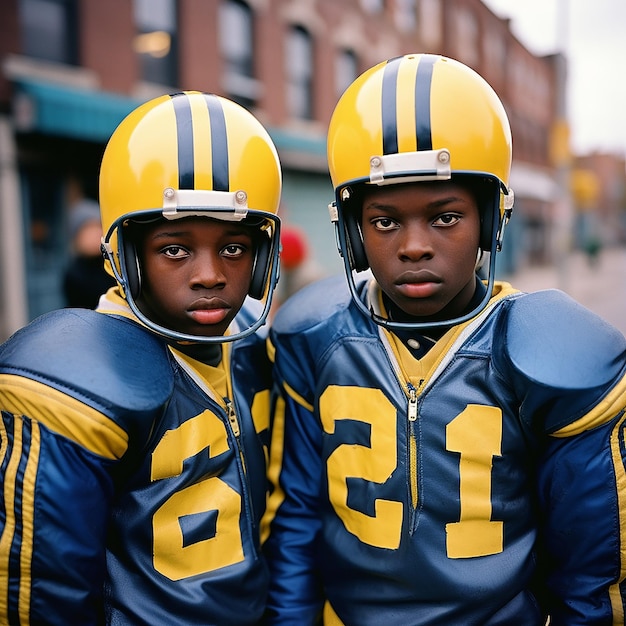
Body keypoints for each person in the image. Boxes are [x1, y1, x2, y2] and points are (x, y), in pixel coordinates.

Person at [262, 54, 626, 624]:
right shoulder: (317, 336)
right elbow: (299, 521)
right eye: (385, 222)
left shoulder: (543, 352)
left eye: (445, 217)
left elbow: (589, 574)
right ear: (352, 232)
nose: (414, 246)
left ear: (490, 217)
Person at [0, 91, 282, 624]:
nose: (209, 274)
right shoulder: (79, 370)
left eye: (234, 248)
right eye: (175, 248)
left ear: (263, 255)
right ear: (125, 253)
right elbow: (48, 592)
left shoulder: (249, 340)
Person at [63, 198, 116, 308]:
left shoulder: (114, 266)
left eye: (98, 227)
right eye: (88, 229)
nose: (95, 233)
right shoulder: (74, 275)